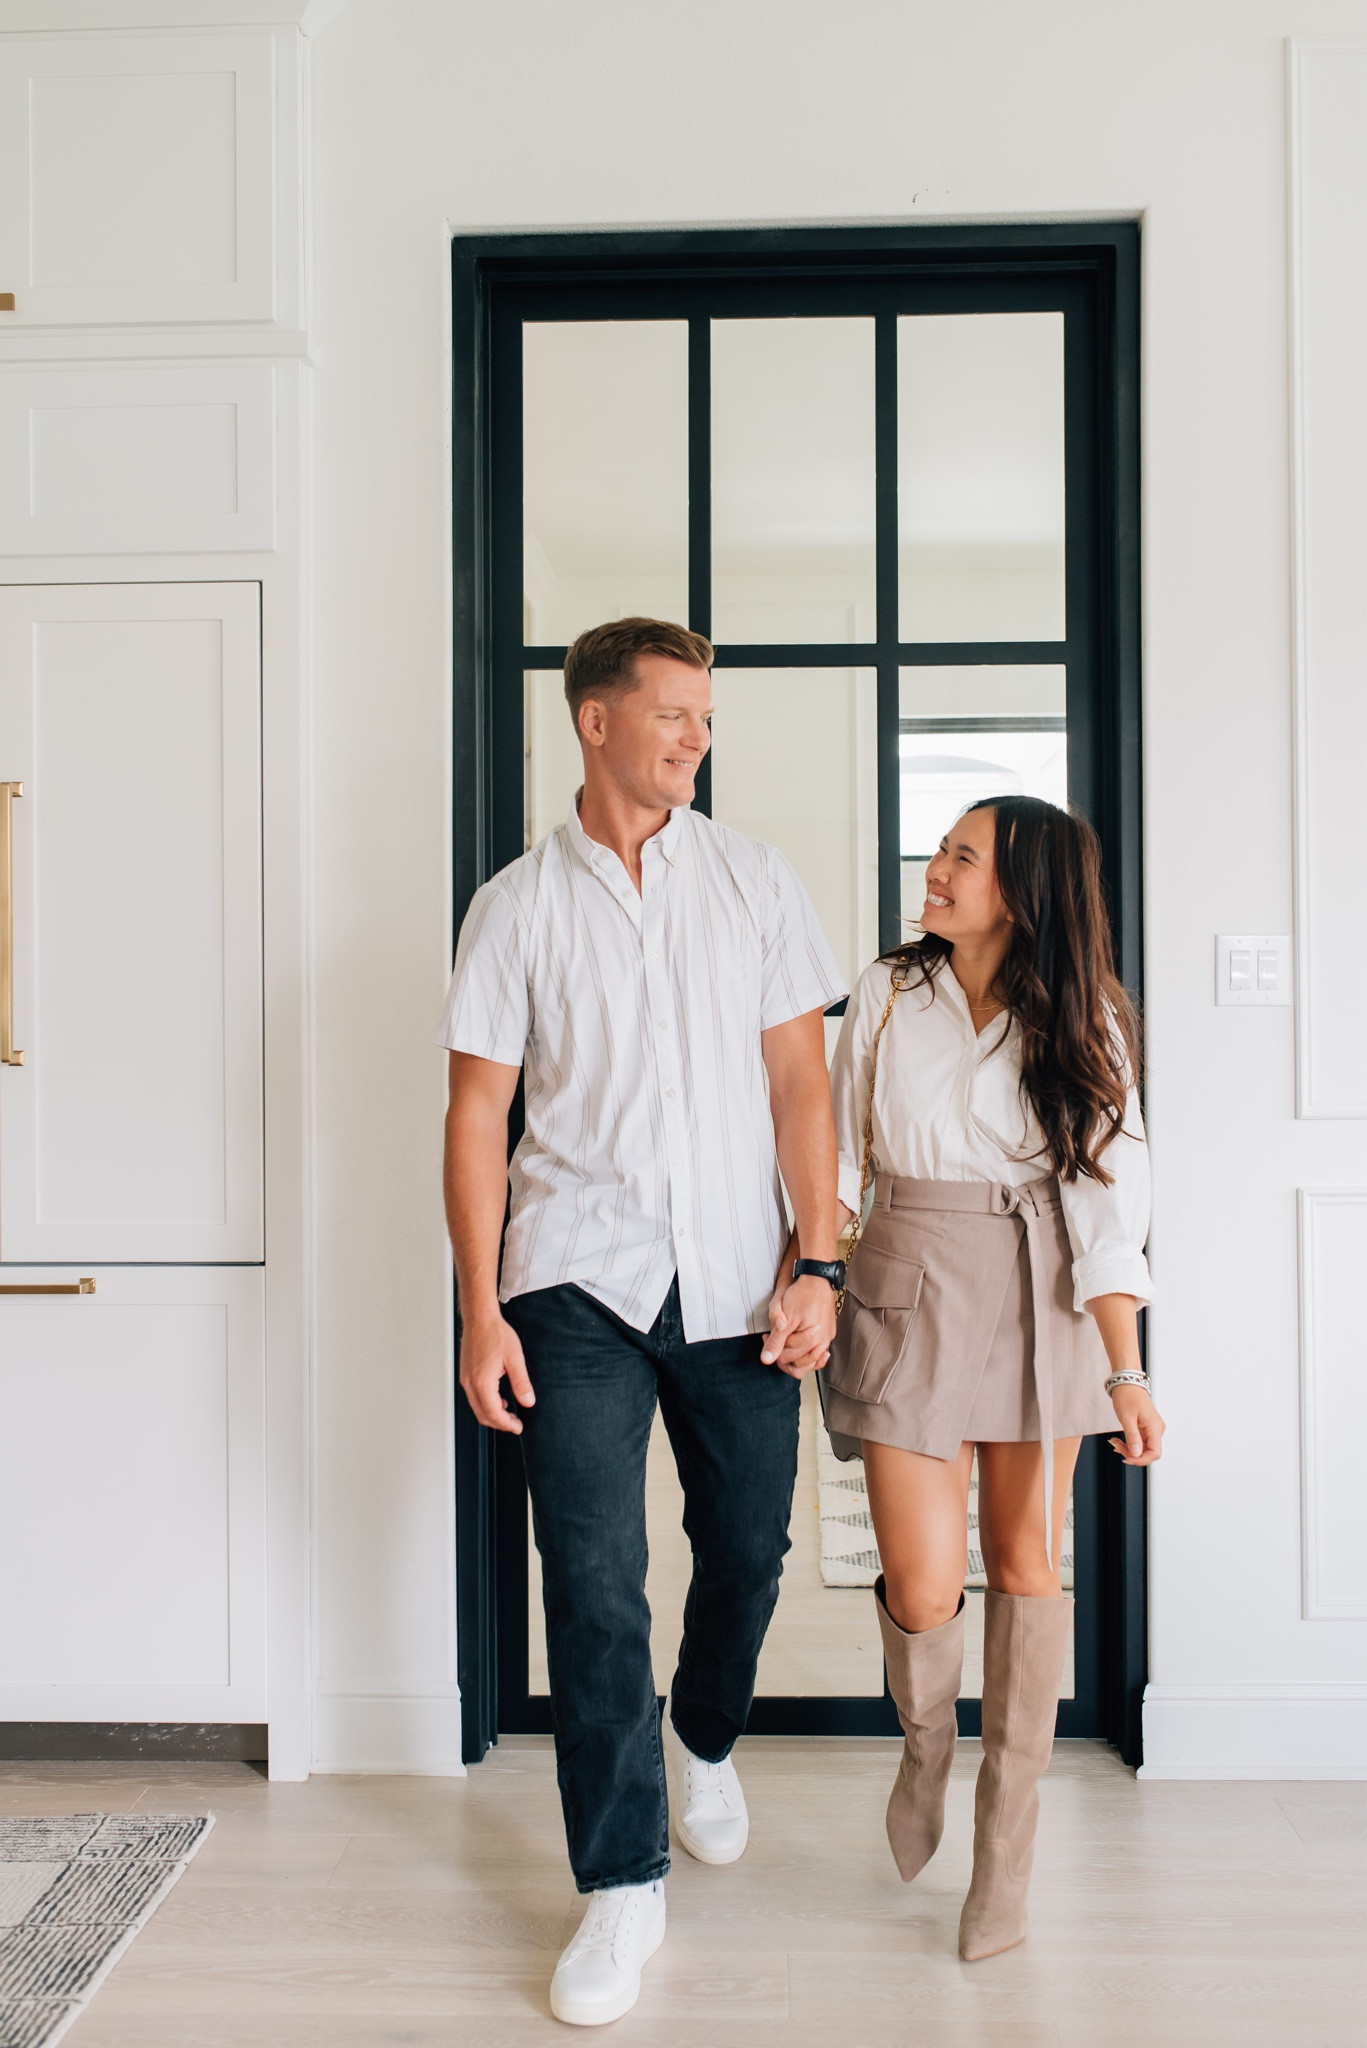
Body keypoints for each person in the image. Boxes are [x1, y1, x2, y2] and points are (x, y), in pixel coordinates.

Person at [439, 617, 846, 2027]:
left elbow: (802, 1085)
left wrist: (820, 1264)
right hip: (571, 1282)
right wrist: (477, 1305)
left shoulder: (751, 882)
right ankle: (618, 1885)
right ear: (593, 721)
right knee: (592, 1585)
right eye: (669, 711)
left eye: (704, 714)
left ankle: (705, 1735)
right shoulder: (512, 908)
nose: (695, 734)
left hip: (742, 1274)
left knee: (746, 1549)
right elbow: (477, 1114)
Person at [819, 794, 1164, 1963]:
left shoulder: (1089, 1016)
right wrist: (814, 1271)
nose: (936, 867)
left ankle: (1002, 1855)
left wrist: (1125, 1368)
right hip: (907, 1269)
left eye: (963, 856)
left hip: (1039, 1282)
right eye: (940, 848)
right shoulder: (884, 992)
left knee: (1026, 1564)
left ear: (1024, 888)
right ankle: (924, 1742)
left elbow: (1109, 1202)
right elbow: (832, 1154)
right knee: (920, 1580)